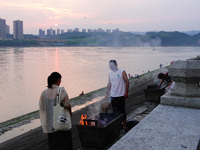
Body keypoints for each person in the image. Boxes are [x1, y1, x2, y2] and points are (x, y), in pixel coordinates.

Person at [39, 72, 73, 150]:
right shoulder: (61, 90)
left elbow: (42, 108)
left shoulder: (44, 93)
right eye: (60, 80)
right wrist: (70, 112)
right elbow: (67, 105)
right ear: (58, 80)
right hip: (61, 122)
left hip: (50, 125)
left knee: (53, 145)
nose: (60, 82)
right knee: (65, 144)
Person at [105, 60, 129, 131]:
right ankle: (118, 125)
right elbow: (109, 84)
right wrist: (107, 94)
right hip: (113, 96)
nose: (111, 67)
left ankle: (124, 126)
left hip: (121, 95)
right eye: (110, 66)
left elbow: (127, 81)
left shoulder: (122, 72)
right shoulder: (110, 74)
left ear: (116, 65)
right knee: (114, 112)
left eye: (112, 66)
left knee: (122, 111)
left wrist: (126, 92)